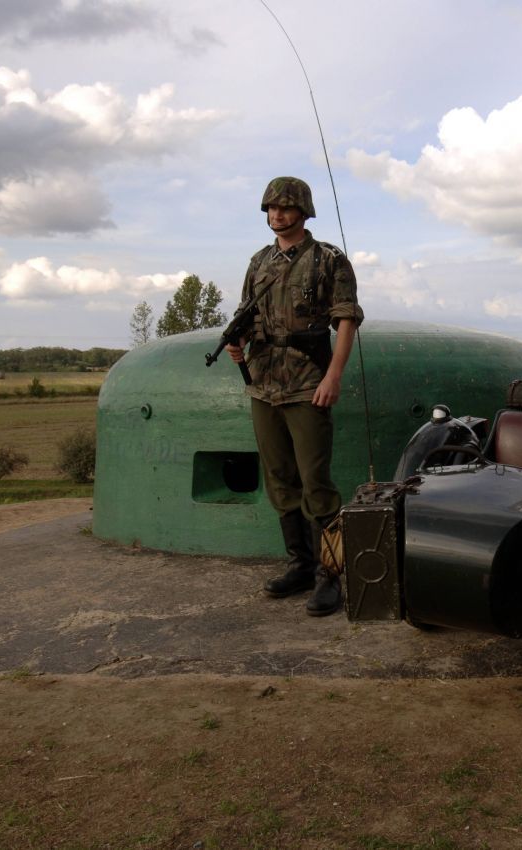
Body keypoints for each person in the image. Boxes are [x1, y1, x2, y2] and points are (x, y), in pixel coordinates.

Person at [226, 176, 364, 617]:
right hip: (264, 383)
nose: (277, 215)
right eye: (270, 208)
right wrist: (238, 341)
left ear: (303, 212)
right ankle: (301, 566)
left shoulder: (328, 260)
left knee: (316, 484)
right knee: (280, 479)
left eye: (285, 208)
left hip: (308, 382)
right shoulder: (260, 261)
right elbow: (247, 312)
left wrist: (333, 376)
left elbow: (345, 320)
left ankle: (330, 575)